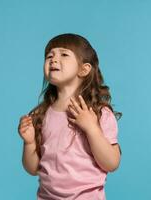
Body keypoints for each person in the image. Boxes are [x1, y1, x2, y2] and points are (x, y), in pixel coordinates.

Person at [18, 33, 122, 200]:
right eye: (49, 56)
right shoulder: (42, 114)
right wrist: (29, 142)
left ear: (84, 69)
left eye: (64, 54)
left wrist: (91, 128)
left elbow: (111, 163)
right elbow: (33, 168)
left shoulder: (98, 113)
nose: (53, 59)